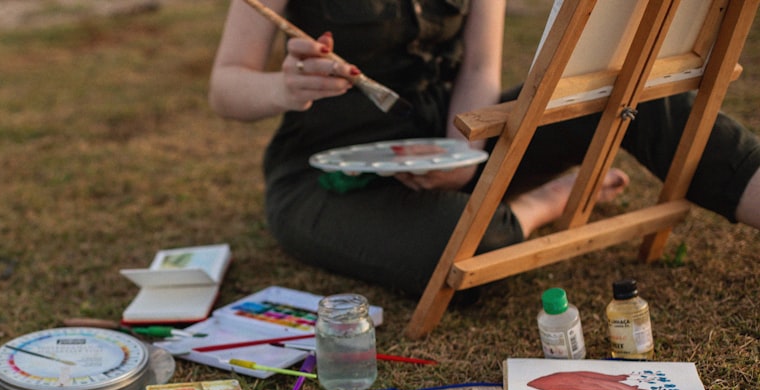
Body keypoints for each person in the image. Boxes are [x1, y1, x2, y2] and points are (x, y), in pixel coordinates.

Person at [209, 0, 760, 297]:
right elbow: (226, 87)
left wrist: (460, 156)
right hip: (323, 178)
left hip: (458, 141)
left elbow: (479, 68)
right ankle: (545, 202)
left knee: (633, 92)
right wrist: (284, 88)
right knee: (462, 252)